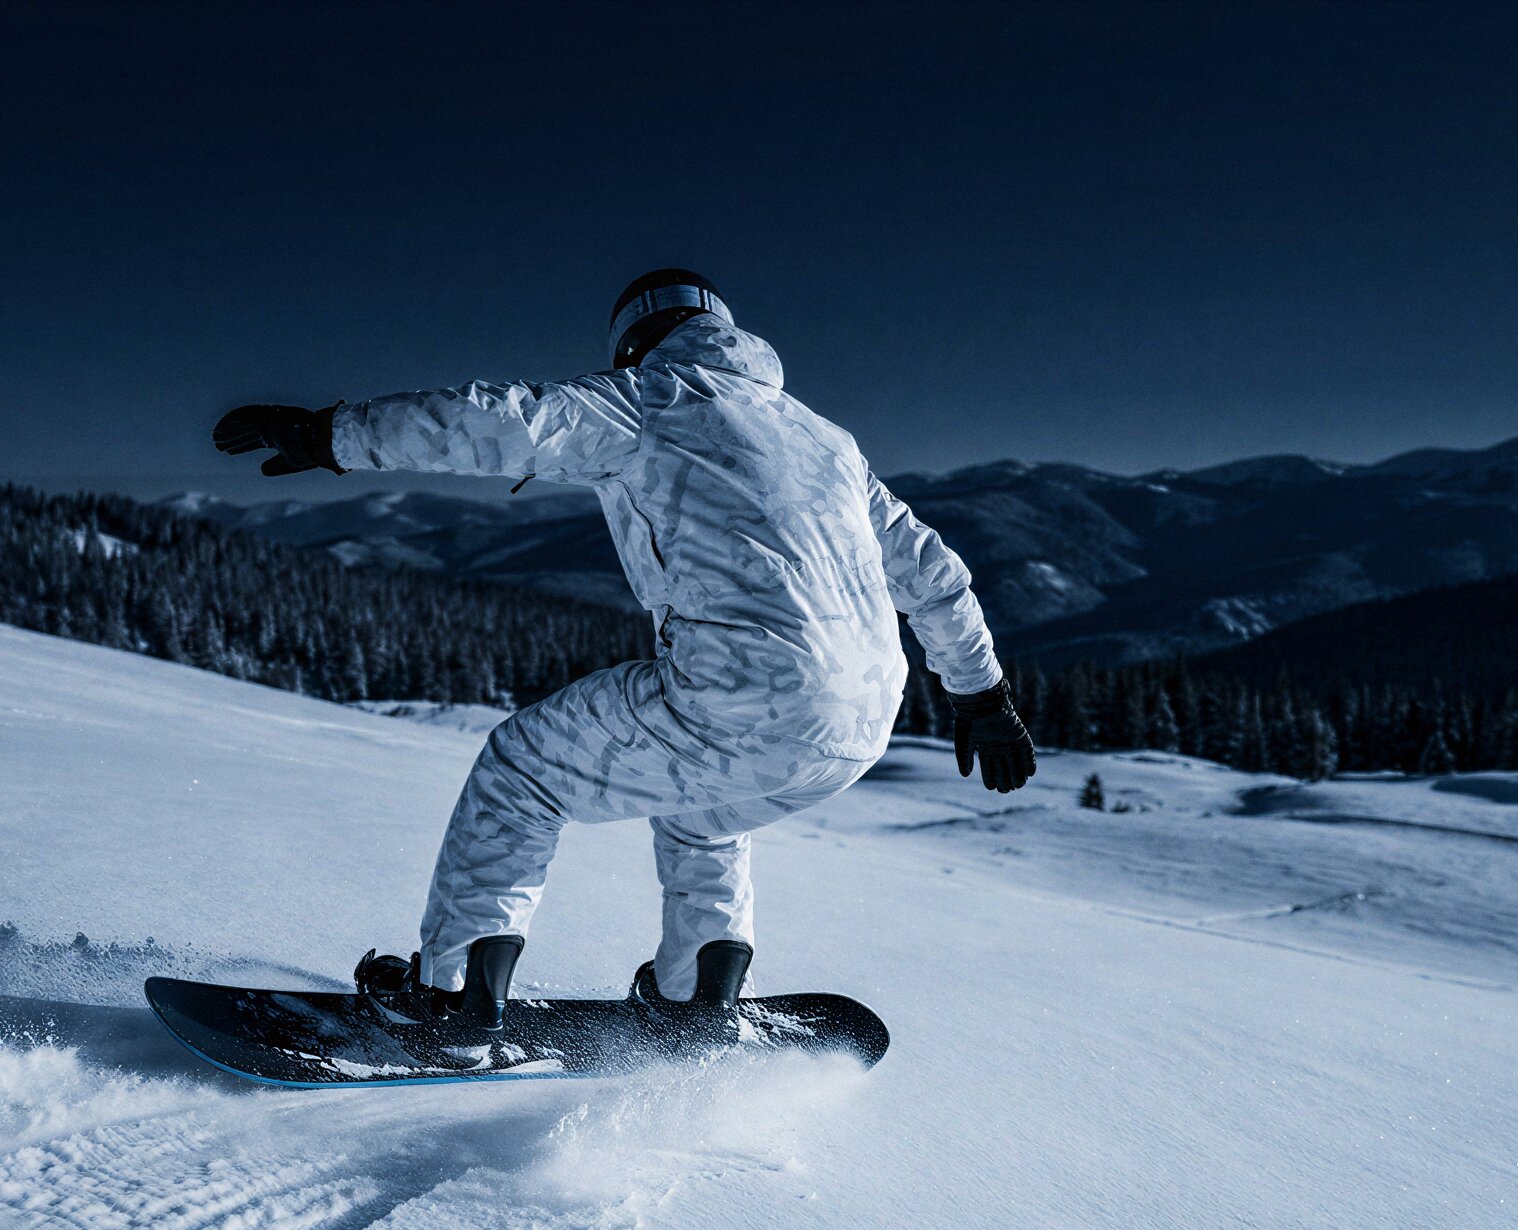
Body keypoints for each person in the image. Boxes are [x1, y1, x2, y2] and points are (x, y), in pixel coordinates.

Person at [214, 268, 1033, 1027]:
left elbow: (503, 420)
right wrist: (982, 697)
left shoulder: (651, 398)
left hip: (739, 690)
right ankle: (691, 1003)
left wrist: (333, 435)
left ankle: (451, 999)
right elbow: (934, 576)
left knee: (521, 770)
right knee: (702, 815)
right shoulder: (829, 442)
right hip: (861, 719)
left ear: (635, 339)